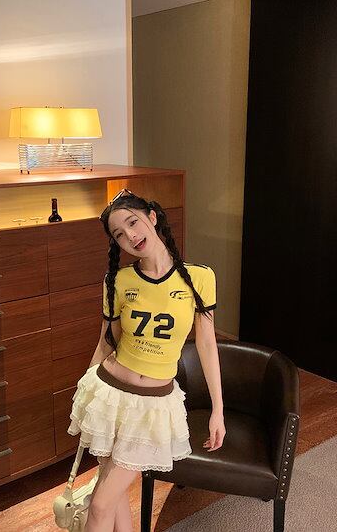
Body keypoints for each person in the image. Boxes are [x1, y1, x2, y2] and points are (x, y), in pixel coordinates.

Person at [67, 189, 226, 532]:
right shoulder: (118, 281)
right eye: (119, 234)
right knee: (112, 497)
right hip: (108, 394)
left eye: (133, 222)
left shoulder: (200, 278)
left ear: (152, 217)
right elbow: (106, 341)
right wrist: (85, 390)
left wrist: (218, 409)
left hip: (152, 406)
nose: (130, 236)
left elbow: (207, 344)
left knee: (100, 504)